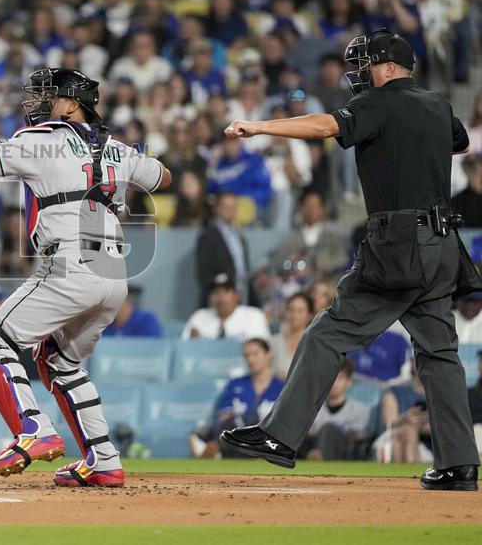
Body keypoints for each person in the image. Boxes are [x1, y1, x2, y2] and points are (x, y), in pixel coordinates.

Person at [220, 29, 480, 491]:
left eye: (365, 65)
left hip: (399, 243)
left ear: (385, 67)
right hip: (444, 244)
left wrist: (259, 126)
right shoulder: (437, 103)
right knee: (440, 355)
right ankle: (459, 464)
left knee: (327, 332)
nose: (360, 74)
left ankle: (279, 436)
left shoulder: (377, 102)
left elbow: (323, 126)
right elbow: (458, 143)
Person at [0, 67, 170, 486]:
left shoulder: (42, 139)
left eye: (49, 95)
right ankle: (104, 460)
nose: (38, 103)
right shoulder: (118, 148)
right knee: (60, 360)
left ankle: (33, 428)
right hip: (114, 275)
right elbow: (164, 176)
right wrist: (117, 167)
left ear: (73, 104)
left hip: (70, 265)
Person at [191, 338, 284, 459]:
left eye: (255, 354)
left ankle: (214, 451)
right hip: (238, 436)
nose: (250, 359)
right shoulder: (235, 384)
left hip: (267, 438)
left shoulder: (282, 387)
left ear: (268, 354)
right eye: (247, 355)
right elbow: (224, 416)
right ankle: (214, 449)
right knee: (225, 426)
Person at [195, 192, 257, 306]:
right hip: (220, 297)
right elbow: (204, 272)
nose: (230, 210)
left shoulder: (239, 234)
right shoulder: (208, 235)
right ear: (217, 209)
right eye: (226, 206)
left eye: (233, 206)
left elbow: (244, 268)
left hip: (241, 293)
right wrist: (217, 292)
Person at [303, 359, 370, 461]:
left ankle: (319, 456)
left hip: (345, 453)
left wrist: (332, 429)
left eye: (340, 378)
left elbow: (358, 437)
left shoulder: (359, 410)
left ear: (348, 382)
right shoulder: (312, 408)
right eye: (331, 378)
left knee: (329, 429)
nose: (334, 383)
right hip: (313, 445)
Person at [182, 273, 270, 341]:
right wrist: (193, 343)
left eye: (225, 291)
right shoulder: (199, 317)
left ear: (237, 295)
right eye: (215, 292)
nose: (220, 297)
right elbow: (183, 349)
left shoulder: (253, 316)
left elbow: (263, 350)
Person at [269, 292, 315, 379]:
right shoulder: (273, 342)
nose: (294, 315)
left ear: (309, 315)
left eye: (300, 311)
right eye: (291, 310)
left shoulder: (315, 344)